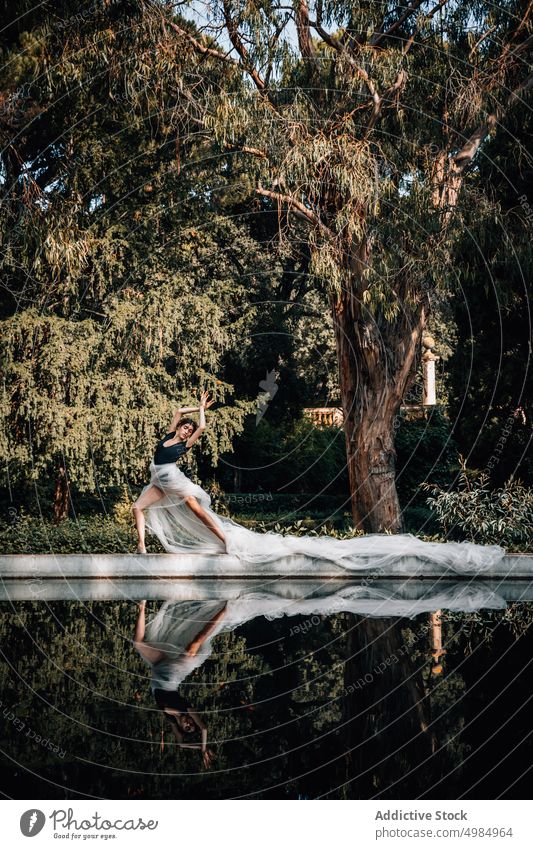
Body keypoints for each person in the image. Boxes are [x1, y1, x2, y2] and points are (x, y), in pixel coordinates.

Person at [131, 389, 505, 574]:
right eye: (181, 426)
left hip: (174, 480)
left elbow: (202, 425)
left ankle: (227, 540)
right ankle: (144, 548)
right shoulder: (168, 435)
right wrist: (188, 406)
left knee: (197, 511)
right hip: (159, 480)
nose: (183, 428)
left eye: (186, 428)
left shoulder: (185, 443)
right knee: (138, 508)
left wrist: (202, 412)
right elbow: (175, 411)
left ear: (188, 432)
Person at [133, 600, 227, 768]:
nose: (189, 723)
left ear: (182, 728)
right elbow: (204, 728)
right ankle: (226, 610)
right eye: (191, 724)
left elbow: (180, 744)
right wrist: (204, 748)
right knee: (197, 641)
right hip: (172, 674)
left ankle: (142, 606)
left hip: (159, 669)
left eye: (187, 727)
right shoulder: (185, 708)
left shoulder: (171, 720)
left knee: (138, 644)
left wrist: (196, 747)